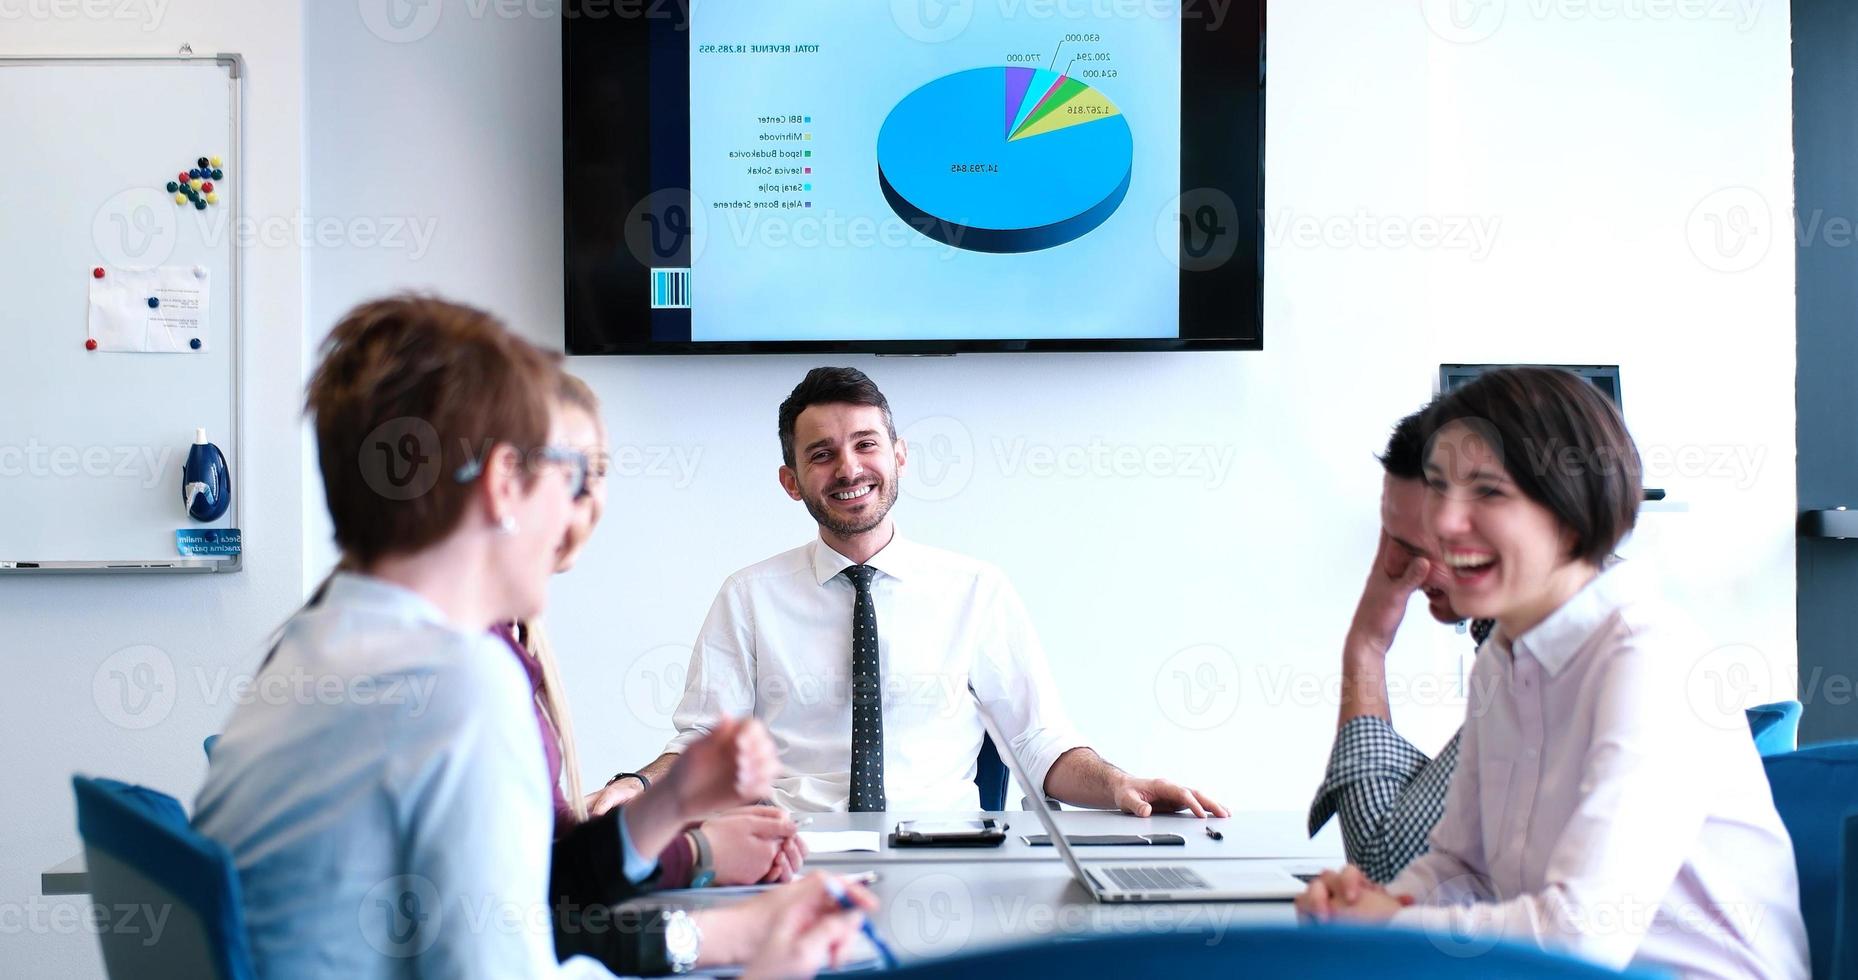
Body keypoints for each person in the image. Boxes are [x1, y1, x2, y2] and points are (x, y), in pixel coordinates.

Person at [194, 296, 873, 979]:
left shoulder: (320, 639)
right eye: (571, 476)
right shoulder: (456, 682)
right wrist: (770, 967)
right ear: (502, 486)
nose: (580, 513)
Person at [1296, 367, 1807, 979]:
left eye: (1487, 492)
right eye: (1438, 487)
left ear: (1570, 512)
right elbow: (1463, 868)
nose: (1444, 524)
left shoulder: (1649, 657)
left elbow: (1582, 932)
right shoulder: (1502, 662)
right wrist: (1378, 906)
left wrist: (1392, 924)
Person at [592, 366, 1227, 816]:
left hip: (945, 855)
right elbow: (699, 749)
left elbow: (1041, 744)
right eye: (821, 454)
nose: (848, 468)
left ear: (899, 456)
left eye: (866, 444)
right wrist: (637, 786)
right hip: (793, 856)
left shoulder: (976, 590)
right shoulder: (748, 598)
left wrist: (1121, 784)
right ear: (791, 481)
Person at [515, 373, 812, 972]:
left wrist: (688, 833)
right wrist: (727, 938)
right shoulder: (463, 680)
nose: (594, 506)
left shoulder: (497, 644)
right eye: (578, 477)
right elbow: (521, 915)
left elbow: (548, 874)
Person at [1306, 404, 1494, 883]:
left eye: (1413, 545)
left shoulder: (1543, 657)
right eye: (1387, 535)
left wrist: (1366, 645)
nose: (1389, 562)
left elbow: (1386, 861)